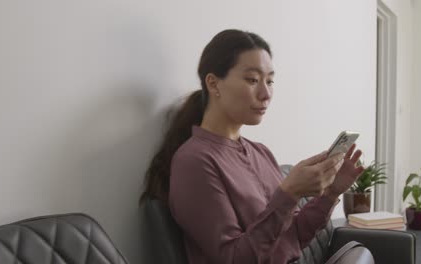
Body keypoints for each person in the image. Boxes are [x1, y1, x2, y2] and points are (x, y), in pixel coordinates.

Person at [140, 29, 365, 264]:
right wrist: (289, 194)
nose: (266, 93)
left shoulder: (261, 152)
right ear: (213, 84)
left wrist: (331, 193)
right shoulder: (194, 161)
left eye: (270, 81)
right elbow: (235, 259)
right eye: (253, 80)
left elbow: (295, 238)